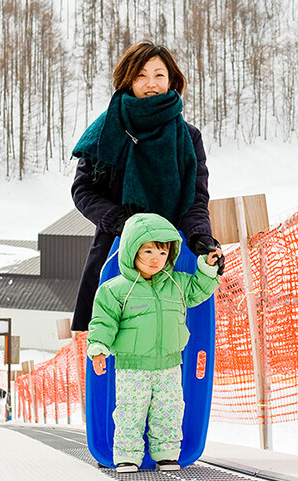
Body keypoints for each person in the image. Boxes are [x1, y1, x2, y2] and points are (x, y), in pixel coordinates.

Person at [70, 41, 224, 333]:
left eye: (159, 75)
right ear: (128, 80)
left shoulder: (188, 138)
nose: (150, 84)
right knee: (108, 350)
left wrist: (201, 238)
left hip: (171, 258)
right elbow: (83, 190)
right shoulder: (106, 131)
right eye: (141, 75)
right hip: (116, 253)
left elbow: (195, 199)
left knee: (169, 347)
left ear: (172, 81)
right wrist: (121, 221)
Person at [86, 213, 222, 472]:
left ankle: (167, 453)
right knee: (130, 411)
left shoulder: (177, 284)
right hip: (132, 366)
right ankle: (127, 455)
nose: (154, 259)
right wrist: (99, 349)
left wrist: (208, 267)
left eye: (162, 252)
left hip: (169, 365)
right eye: (147, 250)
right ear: (131, 250)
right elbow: (103, 322)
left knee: (169, 409)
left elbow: (199, 290)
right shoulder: (116, 289)